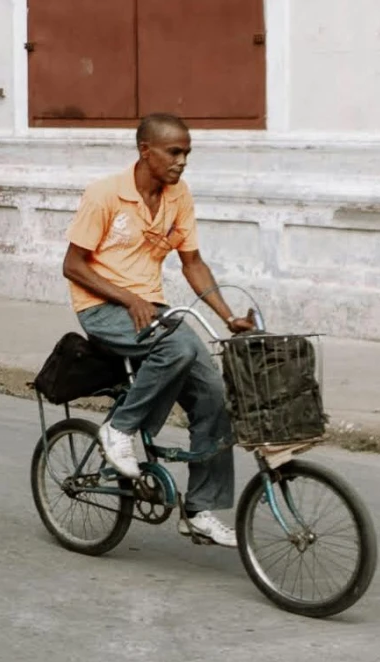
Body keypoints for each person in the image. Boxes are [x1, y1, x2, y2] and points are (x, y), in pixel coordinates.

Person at [61, 112, 254, 549]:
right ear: (145, 151)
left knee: (214, 397)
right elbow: (72, 266)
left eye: (186, 153)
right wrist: (128, 298)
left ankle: (200, 510)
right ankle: (119, 428)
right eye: (174, 152)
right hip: (103, 308)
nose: (182, 161)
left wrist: (228, 318)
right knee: (179, 346)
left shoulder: (178, 195)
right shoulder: (104, 194)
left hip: (152, 309)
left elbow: (192, 263)